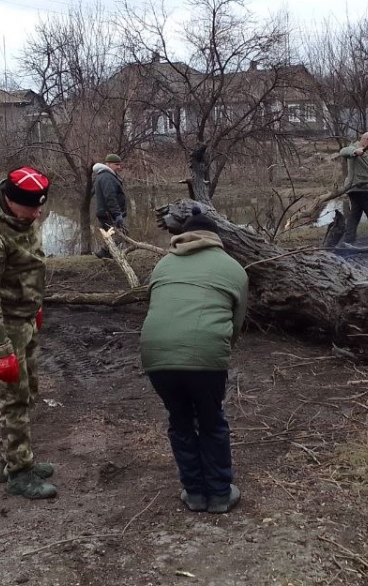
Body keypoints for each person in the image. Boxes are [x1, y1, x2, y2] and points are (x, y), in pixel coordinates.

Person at [139, 207, 249, 514]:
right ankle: (219, 494)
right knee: (212, 421)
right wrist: (215, 356)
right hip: (206, 354)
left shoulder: (162, 265)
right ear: (215, 238)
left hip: (155, 353)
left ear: (183, 236)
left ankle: (195, 493)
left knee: (180, 420)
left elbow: (155, 306)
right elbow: (236, 327)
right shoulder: (233, 268)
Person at [0, 166, 57, 500]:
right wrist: (0, 348)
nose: (38, 213)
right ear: (11, 200)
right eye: (32, 207)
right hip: (6, 327)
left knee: (29, 391)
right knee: (14, 398)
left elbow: (29, 266)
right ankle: (19, 473)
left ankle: (14, 458)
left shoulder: (23, 219)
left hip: (26, 318)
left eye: (39, 206)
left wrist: (36, 308)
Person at [92, 153, 128, 259]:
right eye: (116, 164)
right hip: (108, 213)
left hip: (105, 212)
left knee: (111, 235)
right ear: (108, 164)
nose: (119, 167)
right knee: (122, 232)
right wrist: (117, 214)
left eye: (120, 164)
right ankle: (103, 252)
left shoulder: (104, 175)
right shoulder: (107, 177)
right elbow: (110, 197)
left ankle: (108, 254)